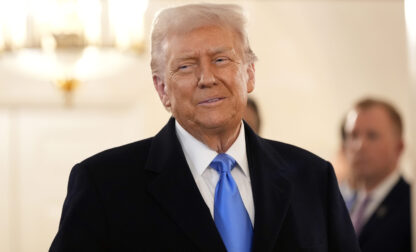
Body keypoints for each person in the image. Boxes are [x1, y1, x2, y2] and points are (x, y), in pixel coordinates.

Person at [50, 3, 359, 251]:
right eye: (185, 66)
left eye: (221, 60)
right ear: (161, 89)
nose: (207, 78)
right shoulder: (103, 185)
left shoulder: (313, 178)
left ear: (249, 74)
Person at [343, 98, 411, 252]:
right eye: (353, 135)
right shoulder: (342, 203)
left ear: (398, 148)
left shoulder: (411, 205)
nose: (359, 146)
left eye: (372, 136)